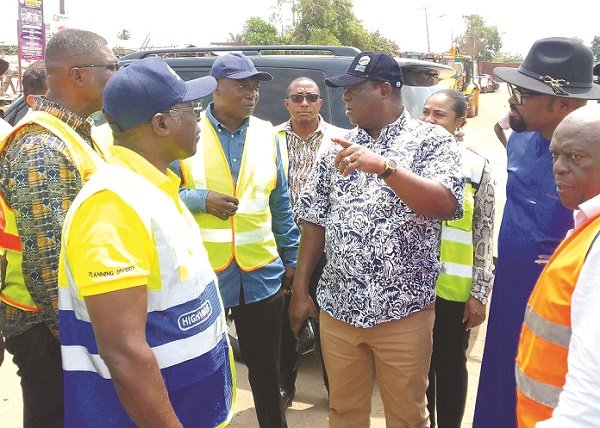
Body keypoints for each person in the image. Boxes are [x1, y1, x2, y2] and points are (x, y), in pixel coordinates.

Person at [289, 52, 464, 427]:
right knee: (344, 411)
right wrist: (302, 289)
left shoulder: (431, 141)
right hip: (338, 309)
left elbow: (447, 203)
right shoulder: (335, 145)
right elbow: (315, 221)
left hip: (403, 313)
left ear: (384, 89)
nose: (345, 98)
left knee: (406, 415)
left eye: (353, 90)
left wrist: (385, 168)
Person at [57, 56, 233, 428]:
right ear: (162, 122)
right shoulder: (113, 203)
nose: (200, 118)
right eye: (192, 108)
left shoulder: (155, 189)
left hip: (187, 404)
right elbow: (123, 353)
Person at [473, 37, 600, 428]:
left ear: (562, 104)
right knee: (501, 386)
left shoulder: (593, 161)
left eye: (525, 93)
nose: (513, 100)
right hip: (512, 291)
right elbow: (501, 125)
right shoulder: (520, 136)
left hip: (568, 303)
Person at [176, 52, 300, 428]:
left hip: (260, 271)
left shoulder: (268, 134)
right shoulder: (187, 130)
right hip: (202, 274)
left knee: (266, 370)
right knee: (199, 366)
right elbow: (160, 193)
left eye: (255, 87)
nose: (251, 93)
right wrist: (201, 199)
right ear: (216, 88)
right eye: (241, 86)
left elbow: (280, 202)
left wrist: (291, 257)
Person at [0, 29, 116, 428]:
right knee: (53, 416)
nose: (116, 77)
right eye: (111, 67)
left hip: (66, 317)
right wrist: (78, 337)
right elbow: (47, 264)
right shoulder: (42, 148)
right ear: (79, 75)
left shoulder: (81, 134)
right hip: (45, 324)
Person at [515, 104, 600, 427]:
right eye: (556, 156)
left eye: (575, 157)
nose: (559, 169)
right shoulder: (587, 224)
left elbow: (590, 404)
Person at [421, 89, 495, 428]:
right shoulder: (406, 163)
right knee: (414, 369)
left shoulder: (476, 167)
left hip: (453, 290)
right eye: (426, 112)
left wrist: (479, 293)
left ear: (459, 122)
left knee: (449, 366)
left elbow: (483, 234)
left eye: (440, 115)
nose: (430, 121)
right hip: (409, 287)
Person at [275, 76, 346, 407]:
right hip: (280, 245)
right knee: (283, 321)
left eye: (311, 97)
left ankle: (337, 391)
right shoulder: (270, 139)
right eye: (297, 97)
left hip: (329, 248)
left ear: (320, 103)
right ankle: (284, 386)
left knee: (330, 321)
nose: (304, 102)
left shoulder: (341, 141)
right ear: (286, 103)